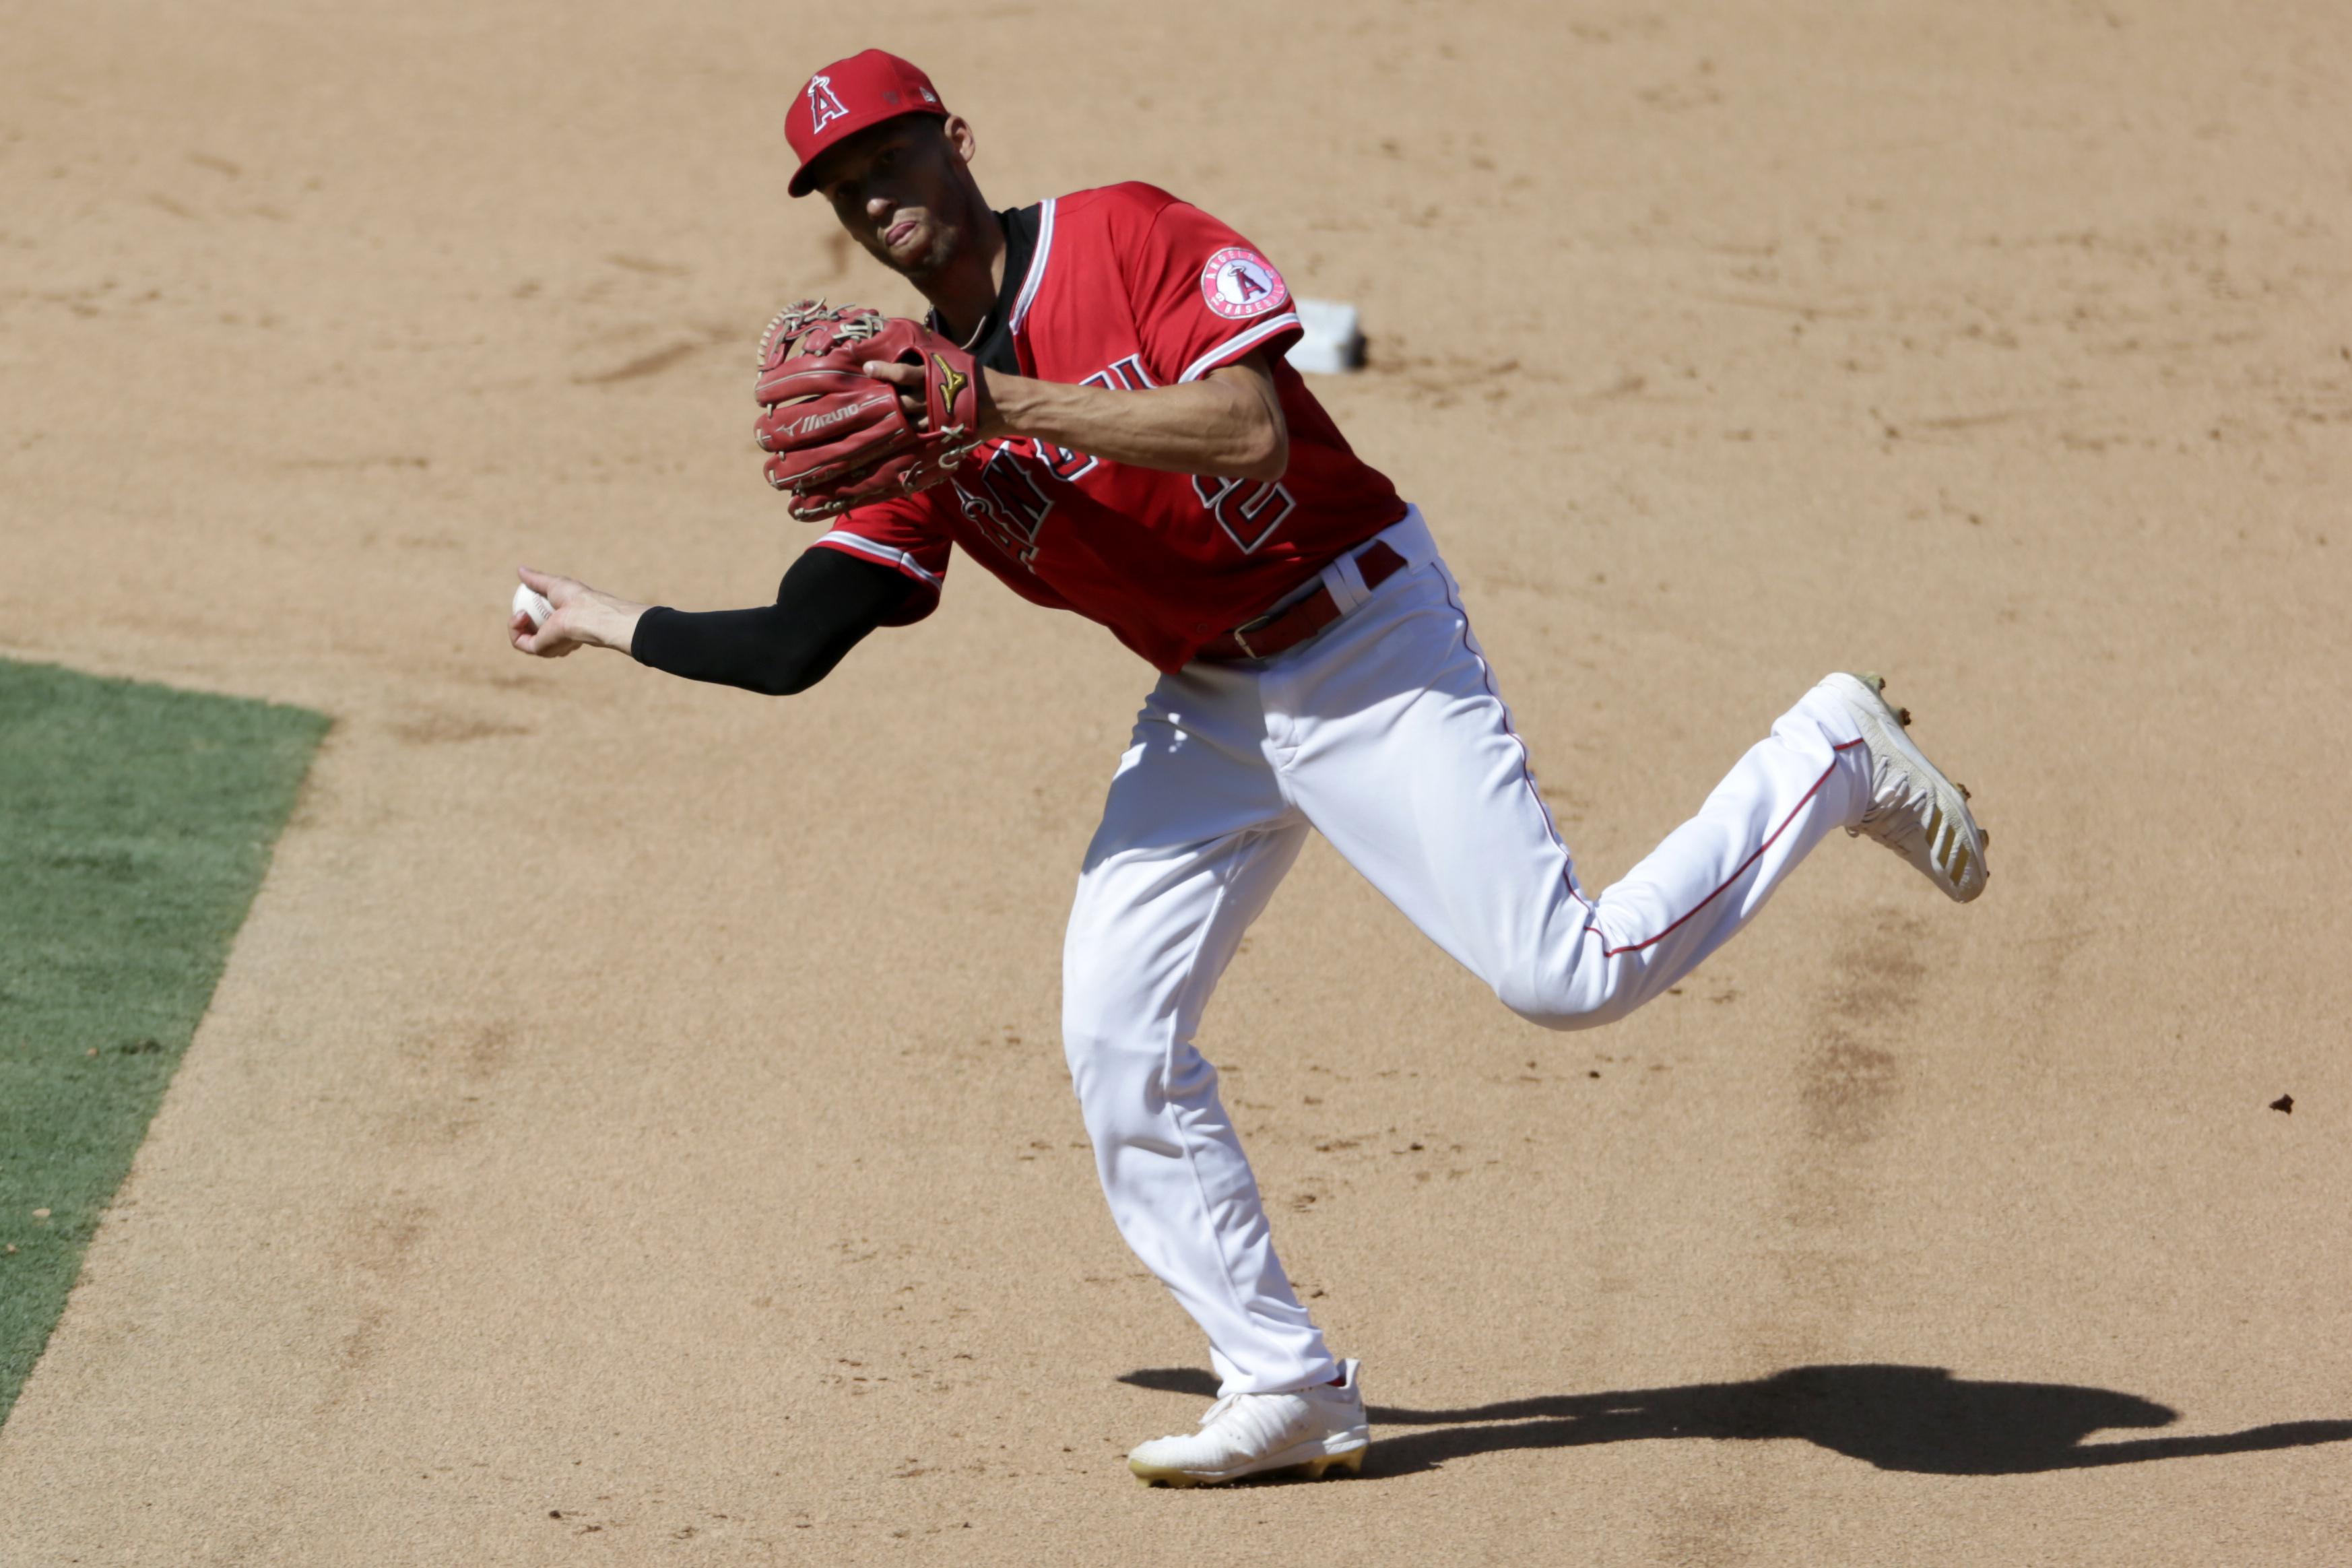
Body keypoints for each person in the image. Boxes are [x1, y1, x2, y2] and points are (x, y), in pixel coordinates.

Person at [509, 48, 1990, 1488]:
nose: (873, 196)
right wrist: (599, 621)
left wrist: (997, 407)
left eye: (888, 156)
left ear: (956, 138)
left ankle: (1832, 753)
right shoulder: (905, 400)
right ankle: (1282, 1382)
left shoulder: (1124, 236)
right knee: (1115, 1035)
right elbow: (795, 642)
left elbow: (1247, 432)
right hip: (1209, 706)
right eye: (841, 185)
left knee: (1567, 975)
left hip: (1362, 641)